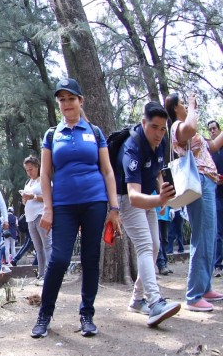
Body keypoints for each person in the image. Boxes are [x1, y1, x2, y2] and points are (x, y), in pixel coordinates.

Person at [31, 78, 122, 339]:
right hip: (63, 206)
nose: (67, 104)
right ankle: (44, 315)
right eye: (62, 99)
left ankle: (87, 315)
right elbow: (45, 175)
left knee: (91, 259)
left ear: (80, 101)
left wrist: (114, 207)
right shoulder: (52, 134)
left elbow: (107, 170)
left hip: (95, 201)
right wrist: (48, 208)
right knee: (58, 259)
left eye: (71, 98)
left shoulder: (94, 132)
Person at [115, 101, 181, 327]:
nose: (159, 133)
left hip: (150, 197)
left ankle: (136, 299)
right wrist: (159, 199)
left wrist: (162, 193)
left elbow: (158, 171)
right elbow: (133, 196)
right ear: (143, 123)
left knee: (154, 247)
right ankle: (154, 303)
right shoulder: (132, 148)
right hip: (127, 198)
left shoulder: (160, 143)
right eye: (154, 127)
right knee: (144, 246)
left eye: (163, 129)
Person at [165, 92, 223, 311]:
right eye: (183, 104)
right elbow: (189, 129)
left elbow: (214, 147)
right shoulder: (178, 127)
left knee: (209, 235)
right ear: (175, 109)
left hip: (208, 184)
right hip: (197, 183)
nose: (187, 106)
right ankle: (194, 295)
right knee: (202, 237)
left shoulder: (191, 129)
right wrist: (191, 104)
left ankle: (205, 286)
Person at [21, 155, 52, 281]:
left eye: (31, 169)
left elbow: (49, 197)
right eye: (27, 170)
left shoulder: (44, 180)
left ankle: (51, 273)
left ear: (37, 167)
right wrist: (25, 198)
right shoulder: (29, 182)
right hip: (30, 218)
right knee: (38, 248)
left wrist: (33, 196)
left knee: (47, 246)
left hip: (41, 215)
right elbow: (26, 201)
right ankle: (41, 273)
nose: (29, 173)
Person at [207, 119, 223, 277]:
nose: (212, 131)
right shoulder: (210, 152)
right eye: (210, 129)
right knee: (218, 231)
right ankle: (218, 264)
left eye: (214, 128)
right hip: (216, 194)